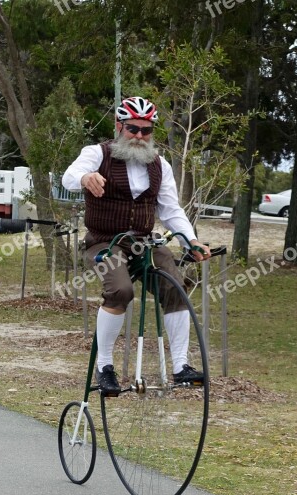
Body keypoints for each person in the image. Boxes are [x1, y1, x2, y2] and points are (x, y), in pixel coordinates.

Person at [63, 96, 211, 395]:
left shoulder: (160, 165)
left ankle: (181, 366)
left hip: (143, 242)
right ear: (119, 126)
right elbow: (69, 177)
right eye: (133, 129)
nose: (140, 137)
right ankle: (104, 367)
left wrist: (190, 239)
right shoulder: (97, 153)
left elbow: (170, 210)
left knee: (176, 287)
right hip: (104, 241)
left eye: (146, 131)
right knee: (120, 290)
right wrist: (86, 177)